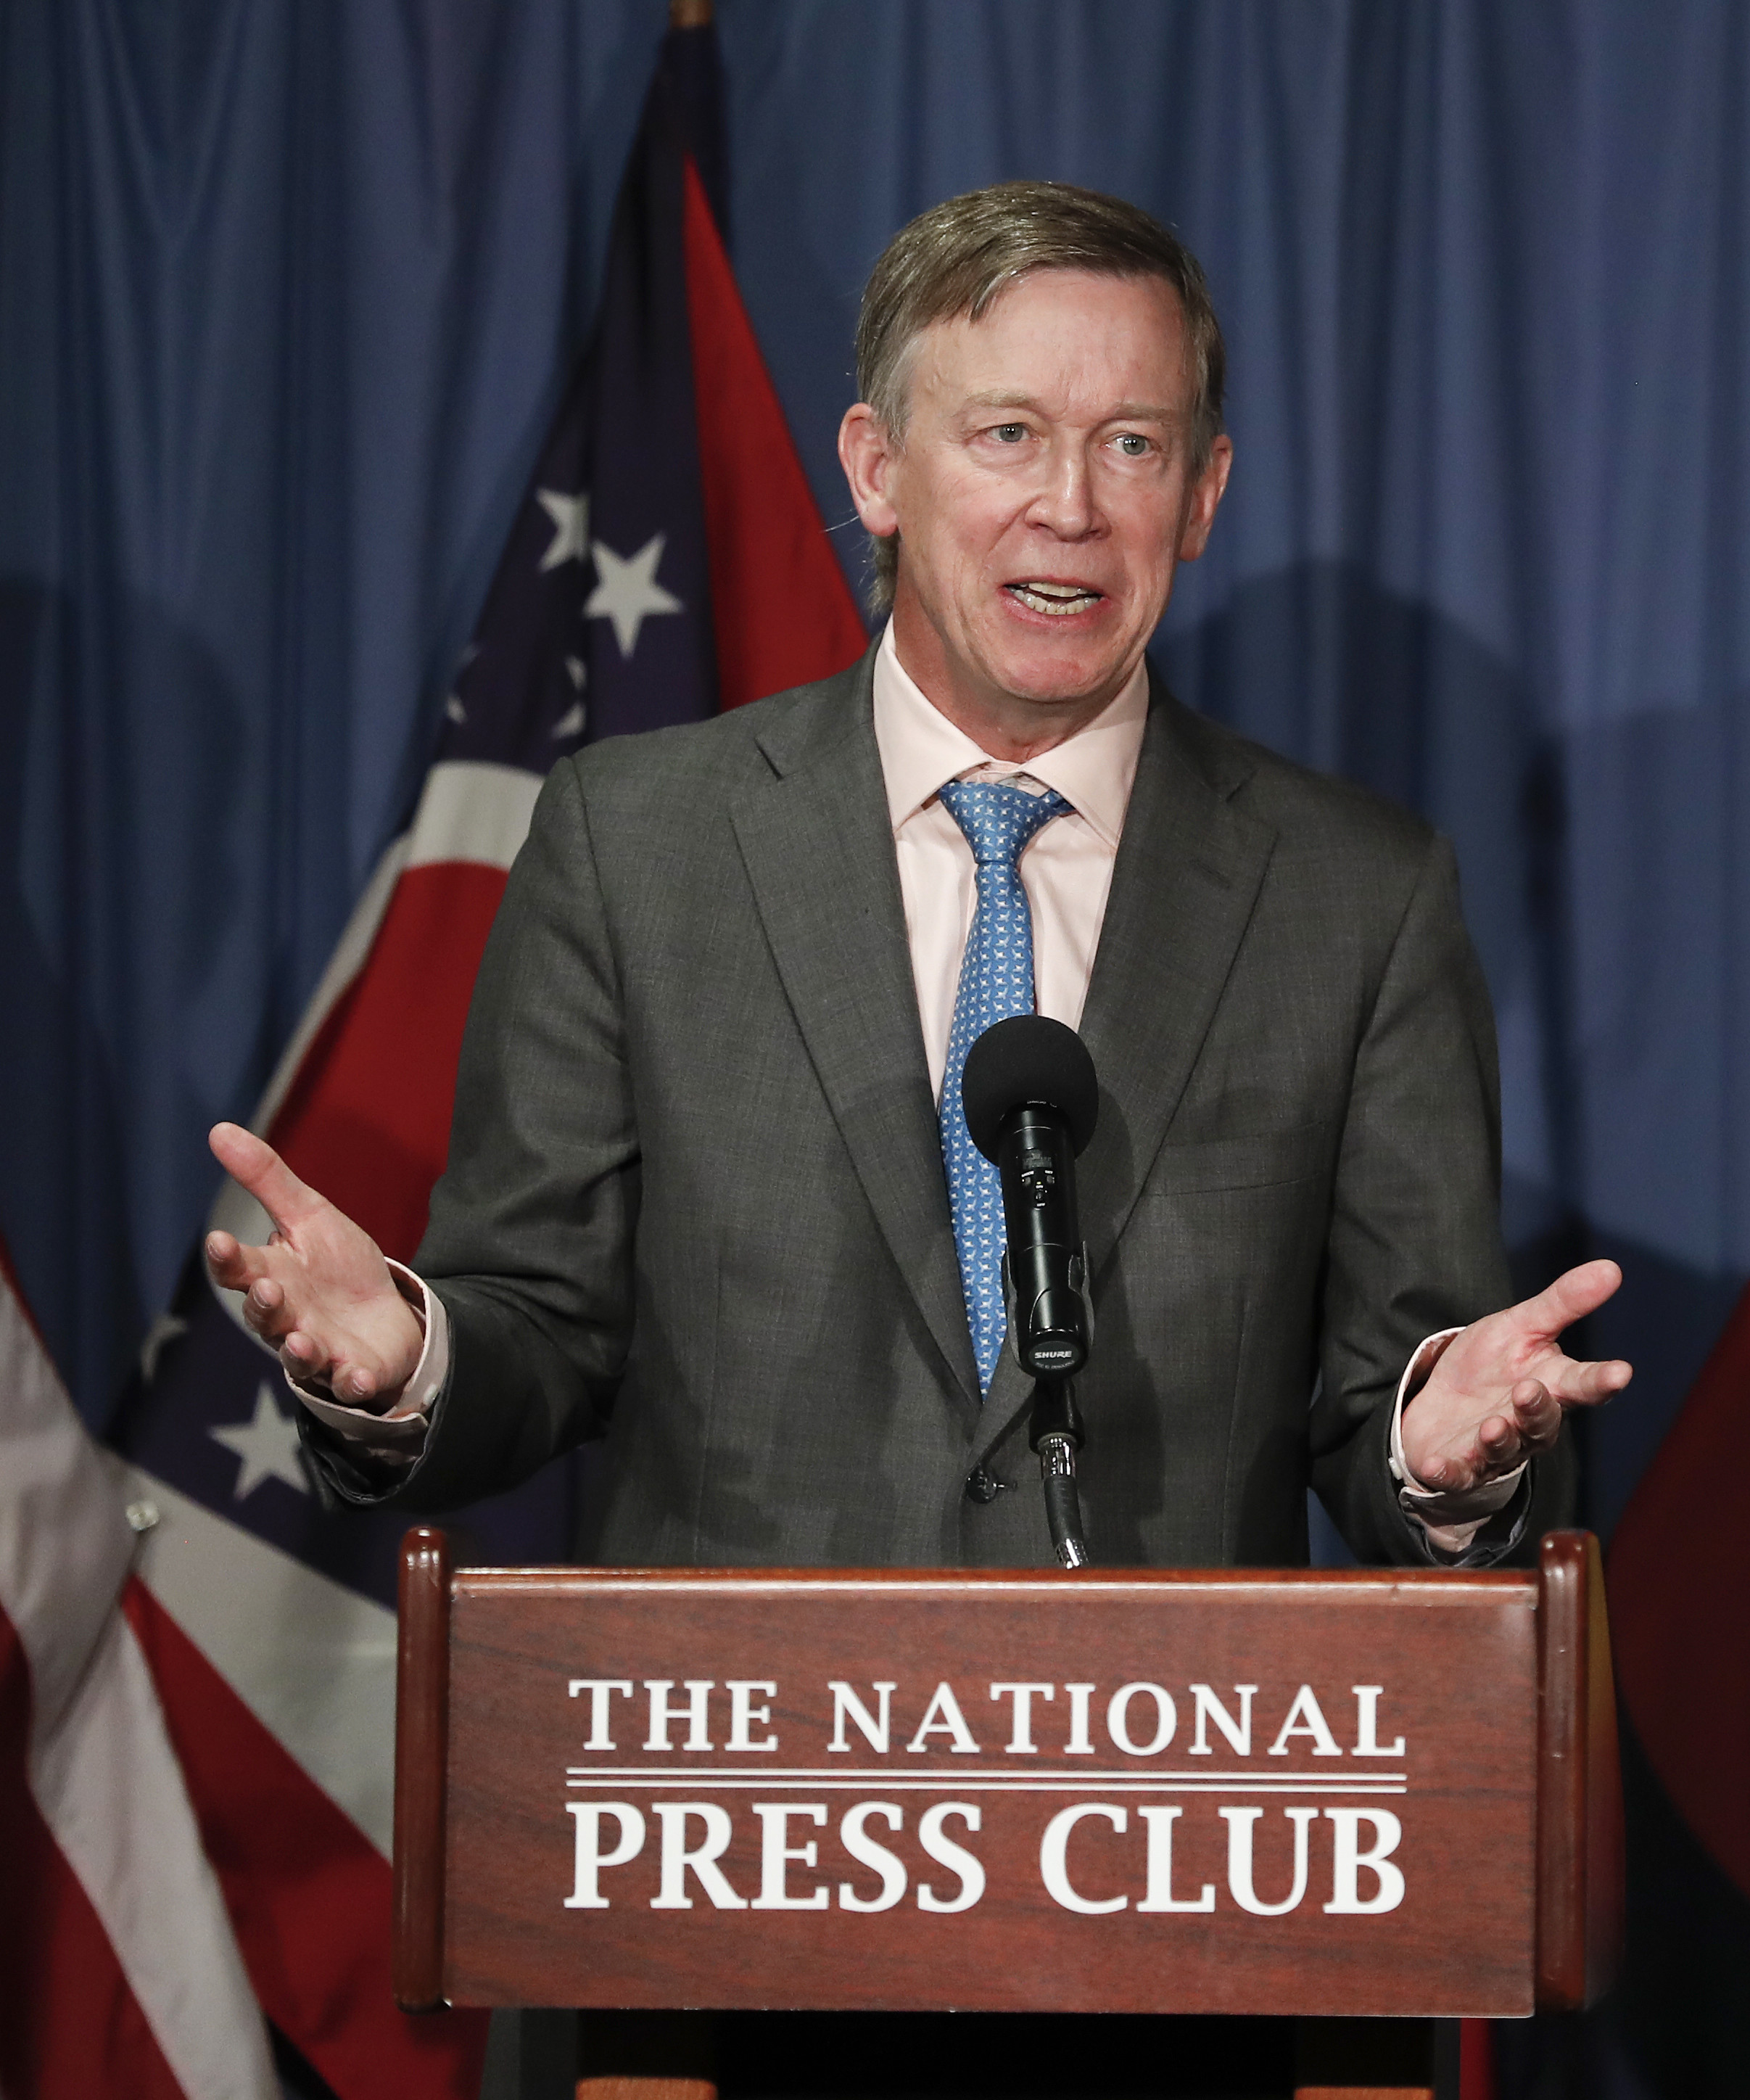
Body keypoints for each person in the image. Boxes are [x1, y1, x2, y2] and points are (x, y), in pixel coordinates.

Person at [201, 181, 1628, 1573]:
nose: (1069, 504)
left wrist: (1446, 1450)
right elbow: (543, 1325)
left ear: (1202, 492)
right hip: (739, 1769)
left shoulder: (1356, 895)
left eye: (1132, 443)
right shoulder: (635, 842)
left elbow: (1401, 1398)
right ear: (877, 471)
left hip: (1156, 1769)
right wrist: (409, 1353)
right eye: (1007, 433)